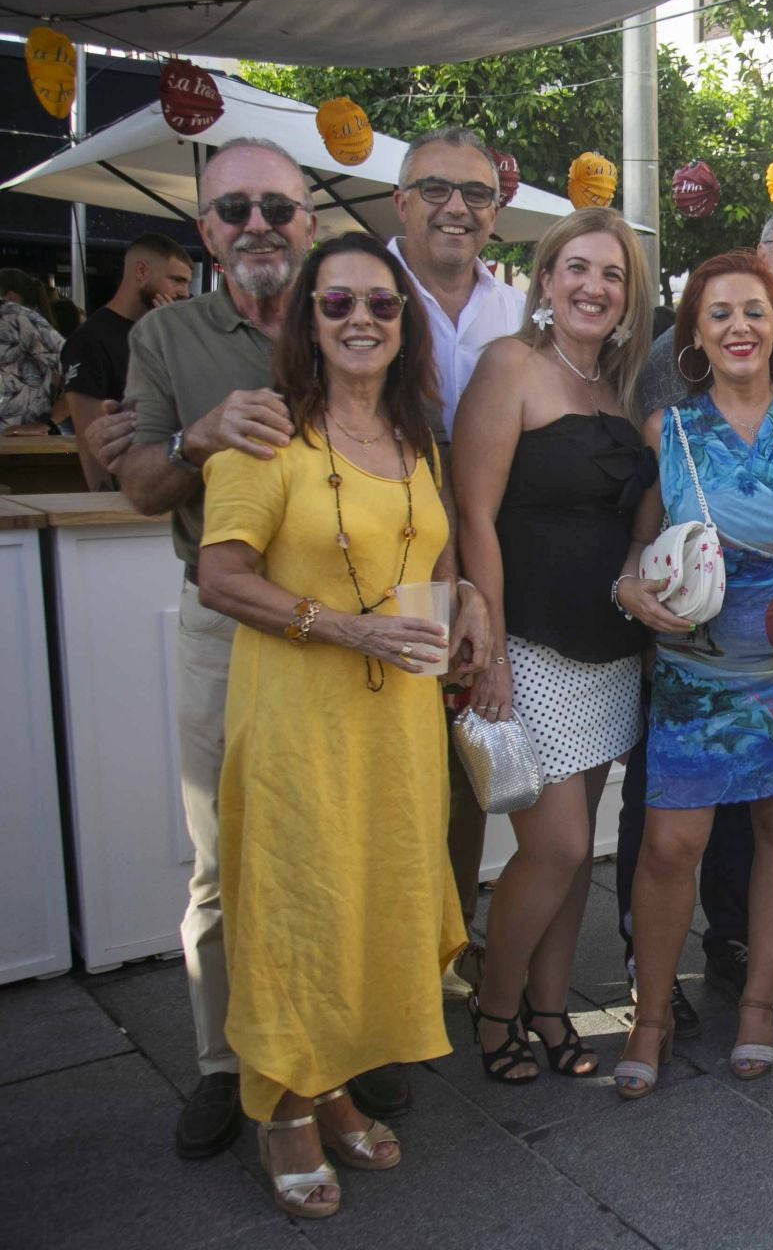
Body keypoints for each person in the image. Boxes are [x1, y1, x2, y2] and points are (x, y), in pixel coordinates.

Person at [86, 138, 418, 1153]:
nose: (258, 226)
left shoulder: (354, 323)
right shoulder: (172, 335)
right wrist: (198, 436)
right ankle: (231, 1068)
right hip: (234, 626)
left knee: (351, 843)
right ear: (206, 231)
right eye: (234, 211)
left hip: (358, 633)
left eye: (278, 207)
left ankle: (341, 1051)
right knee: (229, 865)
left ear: (309, 227)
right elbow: (135, 484)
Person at [196, 232, 473, 1218]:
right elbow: (219, 577)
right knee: (295, 908)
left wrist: (465, 601)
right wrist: (347, 626)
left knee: (369, 903)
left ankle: (338, 1077)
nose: (361, 319)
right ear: (307, 324)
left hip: (397, 721)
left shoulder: (415, 438)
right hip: (297, 722)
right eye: (337, 303)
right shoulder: (266, 437)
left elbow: (432, 554)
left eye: (381, 305)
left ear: (405, 325)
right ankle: (282, 1106)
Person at [615, 251, 773, 1095]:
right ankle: (650, 1017)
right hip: (697, 672)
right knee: (668, 845)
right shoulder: (671, 431)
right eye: (718, 313)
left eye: (754, 312)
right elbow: (642, 548)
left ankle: (757, 1004)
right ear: (693, 334)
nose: (739, 328)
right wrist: (626, 588)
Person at [453, 208, 653, 1083]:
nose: (593, 287)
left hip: (609, 647)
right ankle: (494, 1010)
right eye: (577, 268)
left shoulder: (616, 390)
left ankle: (550, 1003)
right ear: (544, 279)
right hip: (527, 645)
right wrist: (489, 648)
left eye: (611, 275)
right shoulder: (512, 368)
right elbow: (474, 517)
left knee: (578, 858)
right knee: (559, 845)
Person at [388, 126, 527, 997]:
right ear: (399, 202)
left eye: (476, 193)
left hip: (481, 561)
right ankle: (394, 955)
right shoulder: (363, 293)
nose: (457, 207)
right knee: (393, 768)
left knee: (468, 763)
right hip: (387, 565)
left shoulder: (513, 310)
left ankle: (449, 940)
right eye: (436, 189)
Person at [57, 233, 194, 488]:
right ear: (141, 271)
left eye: (186, 283)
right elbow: (90, 436)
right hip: (129, 491)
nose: (184, 293)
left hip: (177, 485)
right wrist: (103, 503)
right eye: (176, 280)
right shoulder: (91, 339)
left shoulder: (169, 335)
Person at [0, 268, 65, 432]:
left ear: (10, 296)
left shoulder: (15, 317)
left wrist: (47, 423)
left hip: (18, 446)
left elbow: (81, 368)